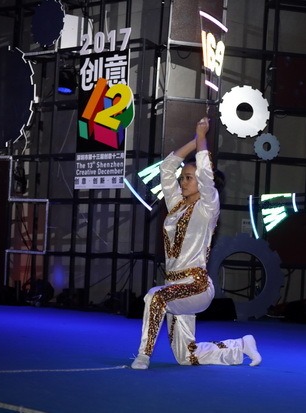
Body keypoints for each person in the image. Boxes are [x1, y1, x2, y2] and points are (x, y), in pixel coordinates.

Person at [131, 117, 262, 369]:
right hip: (174, 287)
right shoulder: (176, 205)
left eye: (189, 178)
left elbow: (205, 174)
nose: (183, 181)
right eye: (183, 177)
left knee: (154, 297)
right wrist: (193, 141)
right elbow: (166, 168)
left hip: (196, 287)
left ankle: (143, 355)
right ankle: (241, 345)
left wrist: (203, 138)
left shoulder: (208, 207)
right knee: (186, 357)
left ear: (201, 181)